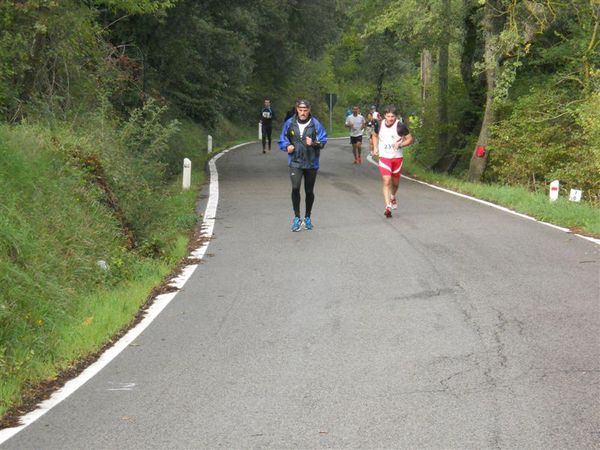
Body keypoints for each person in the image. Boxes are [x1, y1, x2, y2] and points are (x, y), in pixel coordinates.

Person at [279, 99, 328, 232]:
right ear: (297, 109)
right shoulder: (289, 123)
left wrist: (313, 143)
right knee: (295, 188)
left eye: (305, 110)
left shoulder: (316, 124)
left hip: (311, 162)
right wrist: (286, 146)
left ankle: (307, 217)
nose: (303, 113)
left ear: (309, 110)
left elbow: (323, 141)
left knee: (309, 191)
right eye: (300, 110)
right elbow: (282, 140)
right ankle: (296, 218)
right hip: (295, 161)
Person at [371, 105, 414, 218]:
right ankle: (388, 207)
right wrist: (375, 148)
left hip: (397, 157)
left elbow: (410, 139)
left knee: (395, 184)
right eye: (388, 116)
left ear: (396, 116)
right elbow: (374, 135)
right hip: (384, 157)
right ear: (384, 115)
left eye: (393, 116)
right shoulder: (379, 125)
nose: (390, 119)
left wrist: (400, 144)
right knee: (386, 180)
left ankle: (393, 196)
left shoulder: (400, 126)